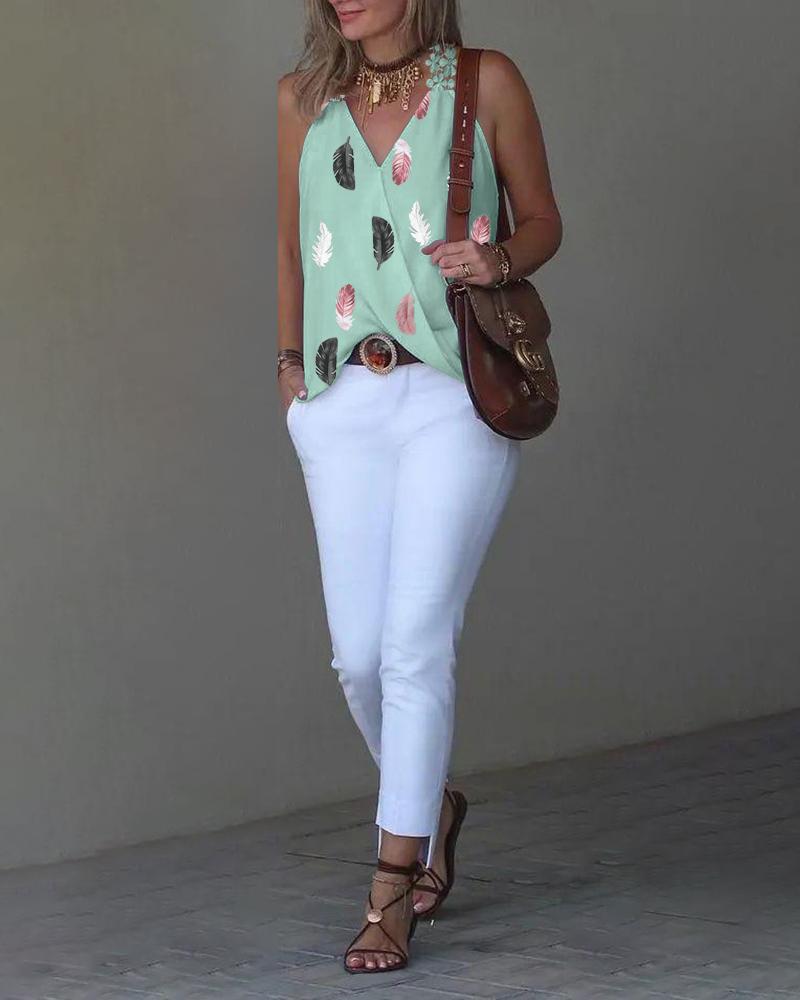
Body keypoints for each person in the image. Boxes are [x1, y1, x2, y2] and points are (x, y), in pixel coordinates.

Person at [277, 0, 562, 975]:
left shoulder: (483, 82)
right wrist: (290, 371)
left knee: (412, 645)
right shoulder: (302, 99)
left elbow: (543, 219)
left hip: (451, 393)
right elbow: (291, 245)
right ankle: (429, 800)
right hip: (339, 401)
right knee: (357, 657)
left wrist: (496, 257)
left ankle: (391, 884)